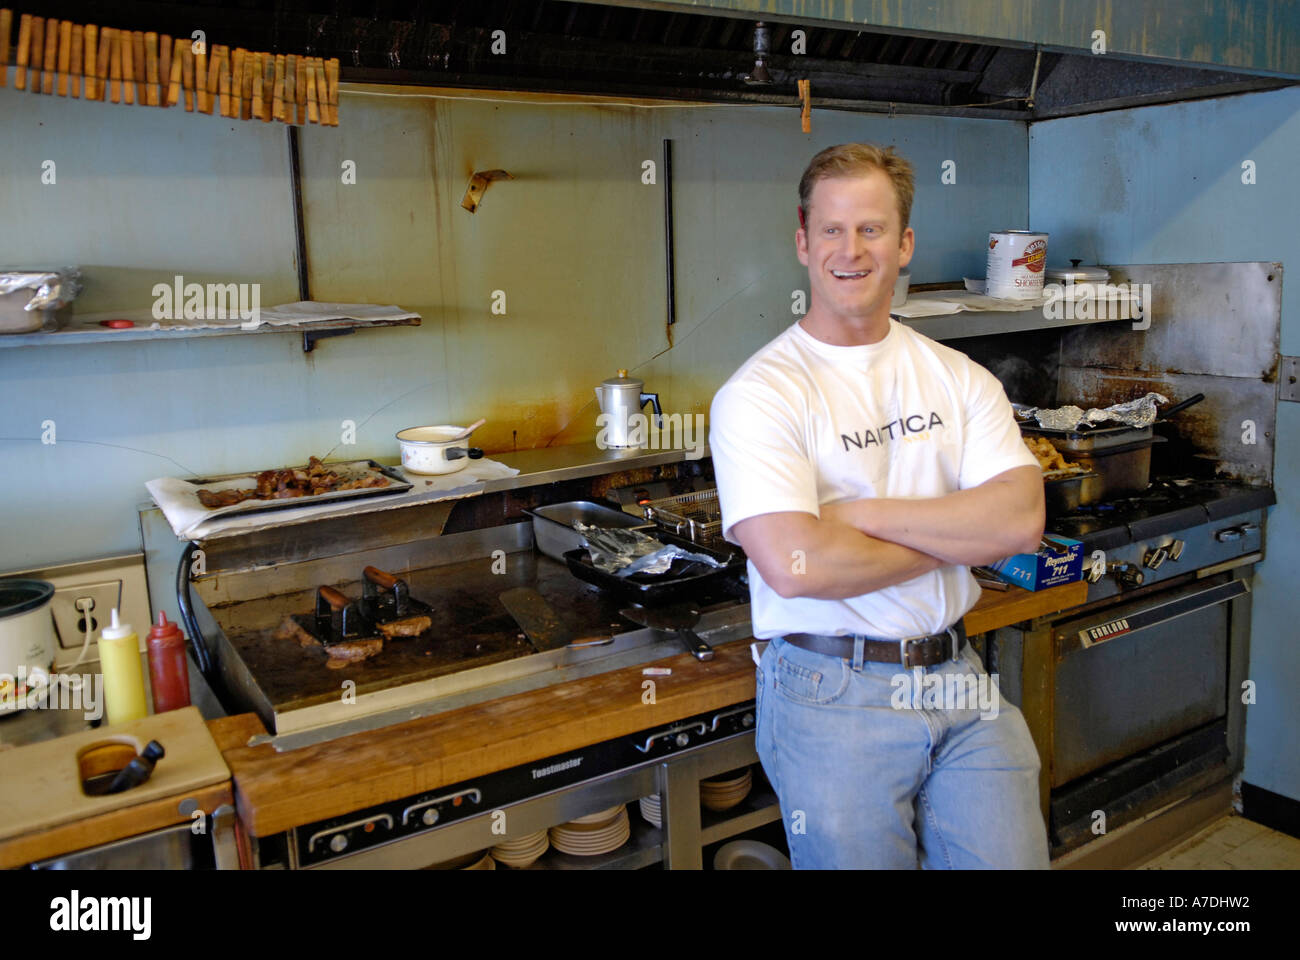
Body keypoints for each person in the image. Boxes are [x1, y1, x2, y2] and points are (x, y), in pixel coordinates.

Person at [708, 142, 1050, 869]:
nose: (850, 250)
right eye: (831, 229)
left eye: (871, 229)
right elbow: (798, 565)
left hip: (961, 679)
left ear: (905, 244)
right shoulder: (761, 394)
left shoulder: (958, 378)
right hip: (832, 692)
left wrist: (858, 518)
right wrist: (961, 533)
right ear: (803, 241)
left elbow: (1019, 522)